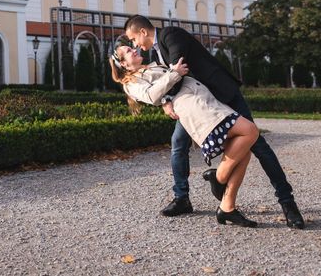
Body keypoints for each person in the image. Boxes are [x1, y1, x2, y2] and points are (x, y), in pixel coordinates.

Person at [123, 14, 306, 229]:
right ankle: (183, 198)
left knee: (258, 144)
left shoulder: (171, 35)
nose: (135, 45)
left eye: (134, 39)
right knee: (178, 144)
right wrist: (166, 100)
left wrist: (165, 97)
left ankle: (287, 203)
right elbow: (171, 79)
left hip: (221, 94)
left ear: (143, 32)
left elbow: (177, 72)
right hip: (199, 103)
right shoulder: (156, 51)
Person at [111, 41, 260, 227]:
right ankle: (204, 185)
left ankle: (226, 206)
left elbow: (169, 85)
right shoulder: (132, 82)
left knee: (242, 150)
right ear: (123, 64)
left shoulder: (155, 64)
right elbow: (151, 95)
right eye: (128, 51)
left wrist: (167, 95)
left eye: (132, 47)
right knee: (246, 133)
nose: (134, 49)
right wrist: (172, 80)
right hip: (193, 106)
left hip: (203, 98)